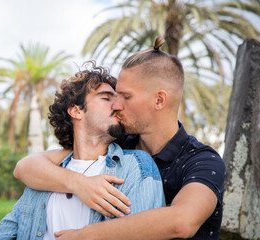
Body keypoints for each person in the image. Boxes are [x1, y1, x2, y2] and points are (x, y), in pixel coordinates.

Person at [13, 36, 226, 240]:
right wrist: (79, 184)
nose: (116, 104)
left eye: (125, 96)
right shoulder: (118, 144)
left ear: (159, 100)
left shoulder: (202, 161)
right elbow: (26, 166)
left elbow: (182, 221)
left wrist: (85, 235)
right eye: (113, 96)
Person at [0, 62, 165, 240]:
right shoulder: (44, 178)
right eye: (106, 98)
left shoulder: (136, 166)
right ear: (76, 111)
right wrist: (79, 184)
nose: (117, 105)